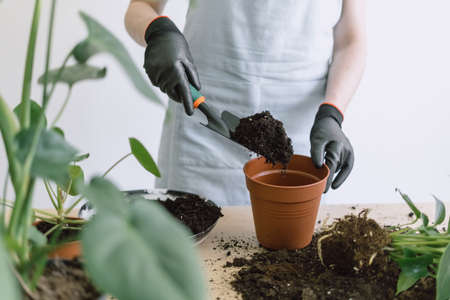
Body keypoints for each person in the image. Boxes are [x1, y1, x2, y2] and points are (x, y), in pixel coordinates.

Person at [125, 0, 366, 206]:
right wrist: (158, 32)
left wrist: (332, 114)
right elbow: (141, 6)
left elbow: (350, 40)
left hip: (301, 135)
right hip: (201, 122)